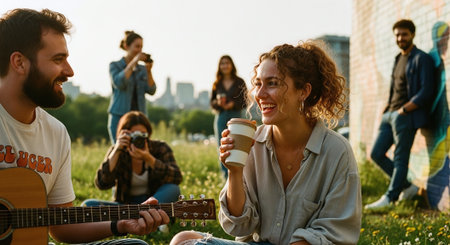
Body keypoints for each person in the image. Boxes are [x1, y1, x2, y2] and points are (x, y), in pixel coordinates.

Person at [0, 8, 168, 244]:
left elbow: (61, 228)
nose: (69, 71)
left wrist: (119, 224)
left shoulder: (56, 133)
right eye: (58, 59)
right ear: (19, 62)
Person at [170, 41, 362, 245]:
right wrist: (234, 172)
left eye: (272, 83)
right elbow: (239, 226)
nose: (259, 95)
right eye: (259, 84)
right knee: (183, 239)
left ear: (303, 92)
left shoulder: (336, 151)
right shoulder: (252, 144)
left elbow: (335, 232)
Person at [365, 19, 435, 209]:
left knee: (400, 158)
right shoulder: (398, 58)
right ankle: (406, 187)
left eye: (404, 34)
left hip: (405, 116)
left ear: (412, 34)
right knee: (376, 153)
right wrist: (388, 109)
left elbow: (427, 90)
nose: (400, 38)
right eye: (397, 34)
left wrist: (404, 110)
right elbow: (395, 88)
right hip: (390, 114)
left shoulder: (422, 58)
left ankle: (391, 197)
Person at [82, 110, 182, 206]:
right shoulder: (119, 151)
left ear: (149, 133)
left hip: (154, 201)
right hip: (127, 206)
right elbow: (101, 183)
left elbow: (177, 178)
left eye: (142, 134)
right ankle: (148, 219)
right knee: (88, 205)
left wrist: (149, 159)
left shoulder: (160, 148)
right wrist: (116, 150)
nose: (139, 138)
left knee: (173, 189)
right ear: (124, 134)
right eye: (134, 134)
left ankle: (146, 215)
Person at [108, 30, 156, 144]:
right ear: (126, 46)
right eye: (137, 46)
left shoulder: (142, 70)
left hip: (139, 118)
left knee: (139, 152)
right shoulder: (115, 66)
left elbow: (152, 90)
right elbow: (119, 82)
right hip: (119, 117)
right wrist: (134, 61)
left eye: (141, 47)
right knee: (119, 150)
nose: (139, 50)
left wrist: (149, 71)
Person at [210, 55, 248, 179]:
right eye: (222, 63)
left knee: (237, 147)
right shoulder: (217, 83)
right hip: (221, 116)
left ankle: (240, 177)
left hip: (236, 117)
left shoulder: (239, 82)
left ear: (231, 65)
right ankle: (226, 178)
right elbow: (212, 103)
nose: (225, 65)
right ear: (219, 67)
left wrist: (233, 104)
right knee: (222, 147)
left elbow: (245, 100)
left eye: (227, 63)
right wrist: (218, 103)